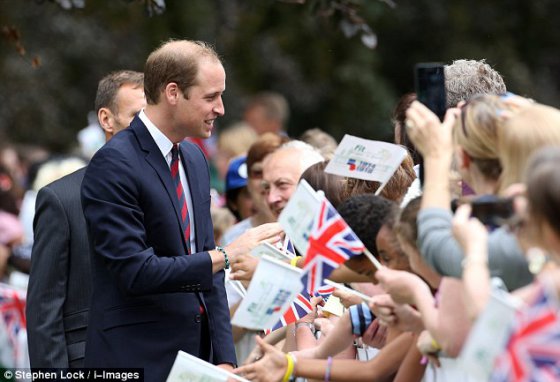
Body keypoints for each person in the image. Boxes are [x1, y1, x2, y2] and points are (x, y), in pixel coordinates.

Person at [80, 40, 282, 381]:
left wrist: (224, 360)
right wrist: (227, 254)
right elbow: (137, 272)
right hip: (137, 360)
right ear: (173, 92)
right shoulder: (113, 163)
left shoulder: (193, 159)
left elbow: (207, 269)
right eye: (210, 97)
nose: (220, 108)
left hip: (197, 362)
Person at [26, 70, 146, 369]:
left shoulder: (176, 188)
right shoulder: (61, 199)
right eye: (137, 116)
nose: (148, 127)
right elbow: (44, 309)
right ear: (106, 119)